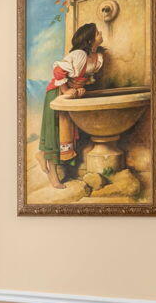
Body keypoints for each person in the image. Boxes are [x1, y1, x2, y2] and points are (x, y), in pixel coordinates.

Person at [37, 20, 107, 185]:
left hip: (71, 94)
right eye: (97, 33)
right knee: (56, 133)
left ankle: (42, 154)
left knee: (66, 133)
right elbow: (58, 71)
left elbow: (83, 79)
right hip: (57, 94)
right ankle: (53, 176)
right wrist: (66, 90)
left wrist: (81, 89)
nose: (101, 34)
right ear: (90, 39)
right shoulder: (79, 54)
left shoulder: (97, 57)